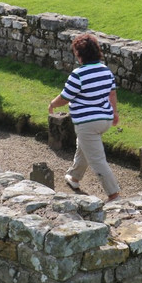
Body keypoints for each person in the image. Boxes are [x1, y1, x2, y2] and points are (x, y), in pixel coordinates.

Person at [48, 32, 121, 201]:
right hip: (105, 119)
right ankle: (74, 177)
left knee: (97, 159)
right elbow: (112, 95)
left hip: (88, 122)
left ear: (79, 55)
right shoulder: (105, 71)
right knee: (84, 145)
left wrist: (52, 104)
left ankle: (114, 194)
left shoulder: (78, 74)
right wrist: (115, 113)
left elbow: (65, 97)